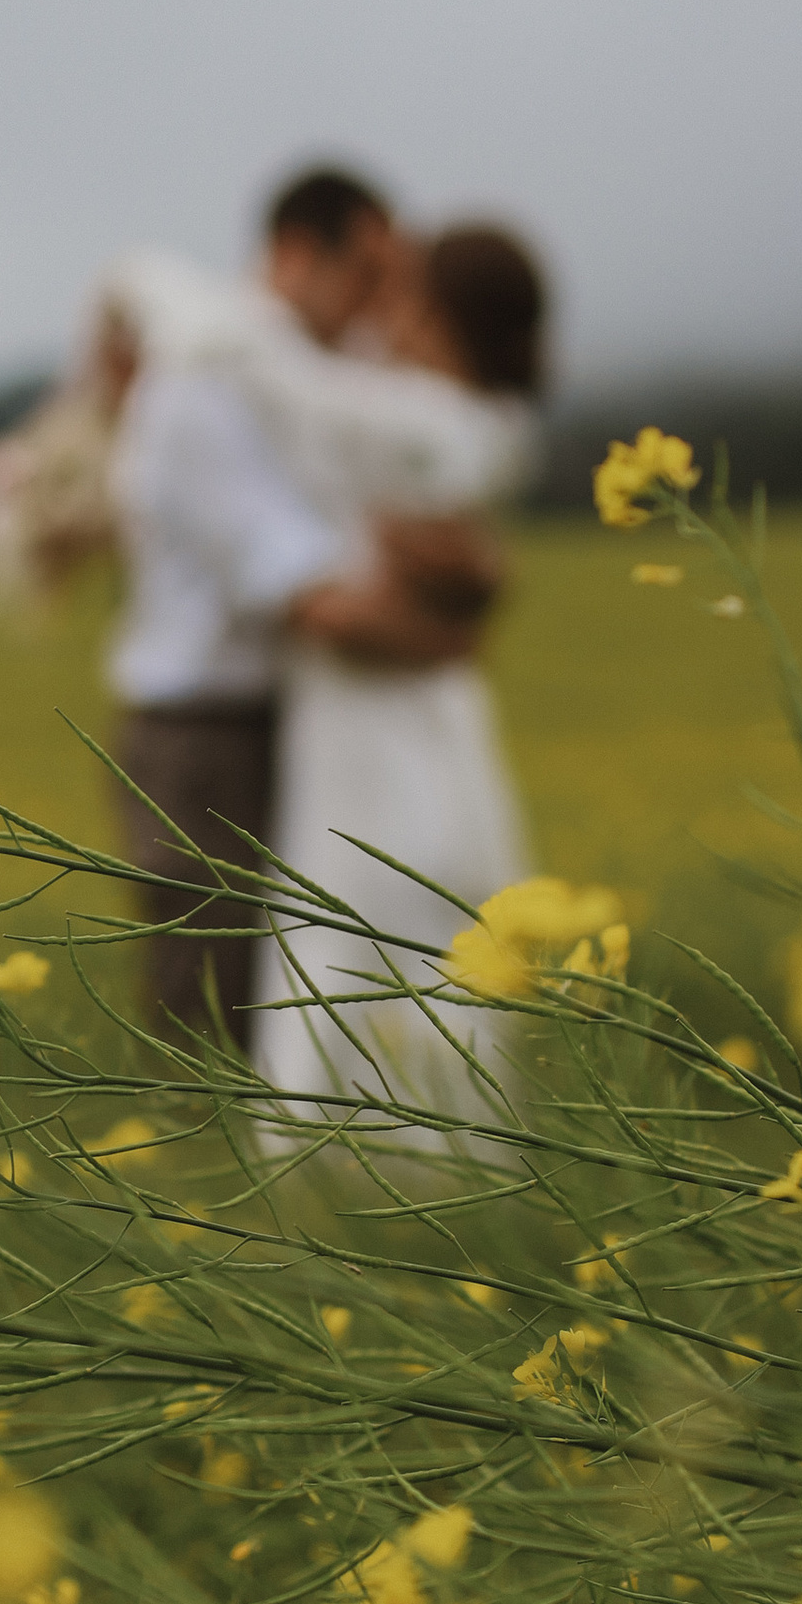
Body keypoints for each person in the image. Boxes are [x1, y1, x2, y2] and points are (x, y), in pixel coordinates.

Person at [99, 167, 488, 1040]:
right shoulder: (202, 386)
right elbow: (313, 597)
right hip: (204, 733)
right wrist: (452, 647)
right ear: (297, 252)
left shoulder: (296, 385)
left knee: (287, 1003)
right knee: (212, 1010)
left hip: (279, 718)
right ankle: (192, 1173)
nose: (377, 305)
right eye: (367, 275)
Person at [249, 223, 546, 1130]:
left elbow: (290, 390)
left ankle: (351, 1142)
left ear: (446, 318)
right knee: (397, 909)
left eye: (410, 299)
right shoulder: (474, 419)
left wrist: (214, 305)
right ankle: (427, 1138)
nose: (393, 320)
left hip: (378, 712)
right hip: (407, 709)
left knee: (366, 907)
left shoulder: (436, 423)